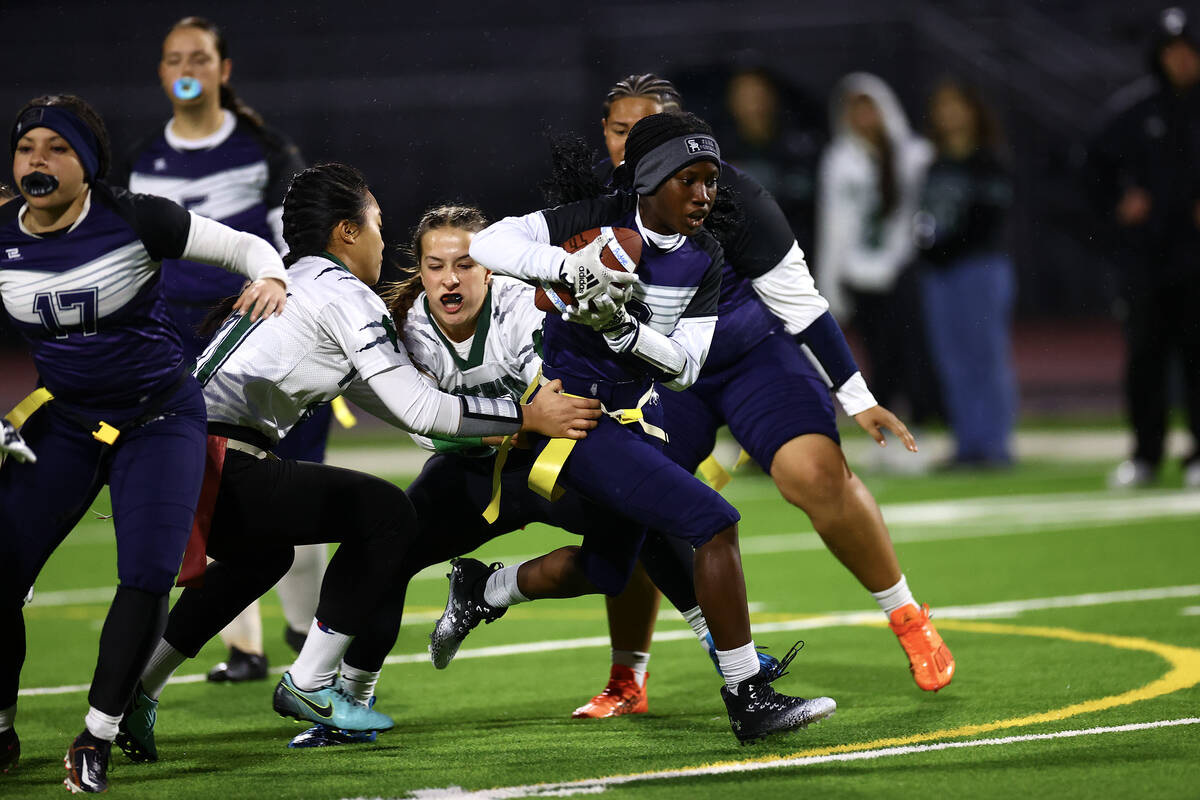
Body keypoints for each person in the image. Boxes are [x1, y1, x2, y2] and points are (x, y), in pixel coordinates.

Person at [114, 164, 601, 762]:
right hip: (214, 452)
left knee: (262, 554)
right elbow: (422, 408)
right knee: (387, 512)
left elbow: (396, 404)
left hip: (176, 455)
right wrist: (524, 418)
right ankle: (311, 685)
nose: (381, 238)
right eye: (374, 224)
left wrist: (481, 424)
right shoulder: (342, 293)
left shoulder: (303, 283)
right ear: (346, 231)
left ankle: (140, 690)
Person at [430, 111, 838, 745]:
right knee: (713, 524)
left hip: (638, 416)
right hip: (575, 421)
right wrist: (571, 271)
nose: (705, 195)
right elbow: (486, 245)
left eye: (710, 181)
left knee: (608, 569)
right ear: (649, 179)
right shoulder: (596, 219)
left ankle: (486, 587)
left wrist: (626, 332)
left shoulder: (705, 258)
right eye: (689, 180)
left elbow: (685, 370)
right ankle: (747, 695)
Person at [560, 73, 954, 719]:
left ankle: (907, 614)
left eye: (648, 129)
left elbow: (799, 302)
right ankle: (627, 675)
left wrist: (855, 395)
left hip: (751, 359)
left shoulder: (732, 193)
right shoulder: (594, 203)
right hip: (664, 380)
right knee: (628, 505)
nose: (632, 143)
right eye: (619, 130)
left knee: (813, 475)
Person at [277, 203, 728, 747]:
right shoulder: (403, 330)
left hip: (554, 463)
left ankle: (725, 656)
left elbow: (557, 400)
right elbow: (431, 432)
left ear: (490, 269)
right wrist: (518, 421)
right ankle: (351, 699)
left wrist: (521, 419)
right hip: (470, 475)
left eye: (465, 264)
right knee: (389, 544)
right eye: (435, 265)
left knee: (636, 531)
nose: (450, 279)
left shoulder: (524, 304)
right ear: (418, 271)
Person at [0, 93, 290, 794]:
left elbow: (247, 247)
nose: (39, 161)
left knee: (148, 573)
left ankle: (98, 734)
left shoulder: (135, 216)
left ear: (89, 164)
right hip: (68, 421)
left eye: (58, 148)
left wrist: (273, 275)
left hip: (158, 418)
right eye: (27, 146)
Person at [111, 14, 327, 682]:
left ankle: (305, 631)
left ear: (222, 70)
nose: (187, 70)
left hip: (252, 331)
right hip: (171, 340)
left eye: (200, 58)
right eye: (175, 58)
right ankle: (244, 647)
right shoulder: (143, 159)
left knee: (293, 478)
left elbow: (294, 243)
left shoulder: (265, 150)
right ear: (161, 71)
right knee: (209, 485)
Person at [1088, 6, 1200, 489]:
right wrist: (1118, 203)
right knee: (1146, 358)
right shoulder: (1133, 113)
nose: (1180, 60)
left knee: (1198, 357)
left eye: (1187, 50)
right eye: (1170, 51)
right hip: (1147, 260)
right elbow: (1091, 171)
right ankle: (1146, 455)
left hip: (1197, 259)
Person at [816, 73, 941, 433]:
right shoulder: (840, 159)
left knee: (914, 354)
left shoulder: (913, 155)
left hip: (903, 268)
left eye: (868, 108)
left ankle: (922, 422)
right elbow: (833, 224)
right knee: (879, 359)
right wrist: (831, 284)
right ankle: (888, 428)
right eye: (855, 110)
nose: (863, 118)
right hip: (861, 275)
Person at [915, 79, 1016, 469]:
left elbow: (987, 221)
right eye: (942, 106)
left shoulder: (989, 160)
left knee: (984, 357)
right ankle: (967, 443)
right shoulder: (936, 162)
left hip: (979, 266)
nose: (949, 114)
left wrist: (944, 247)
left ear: (973, 110)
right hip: (939, 273)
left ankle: (993, 445)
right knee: (951, 359)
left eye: (957, 105)